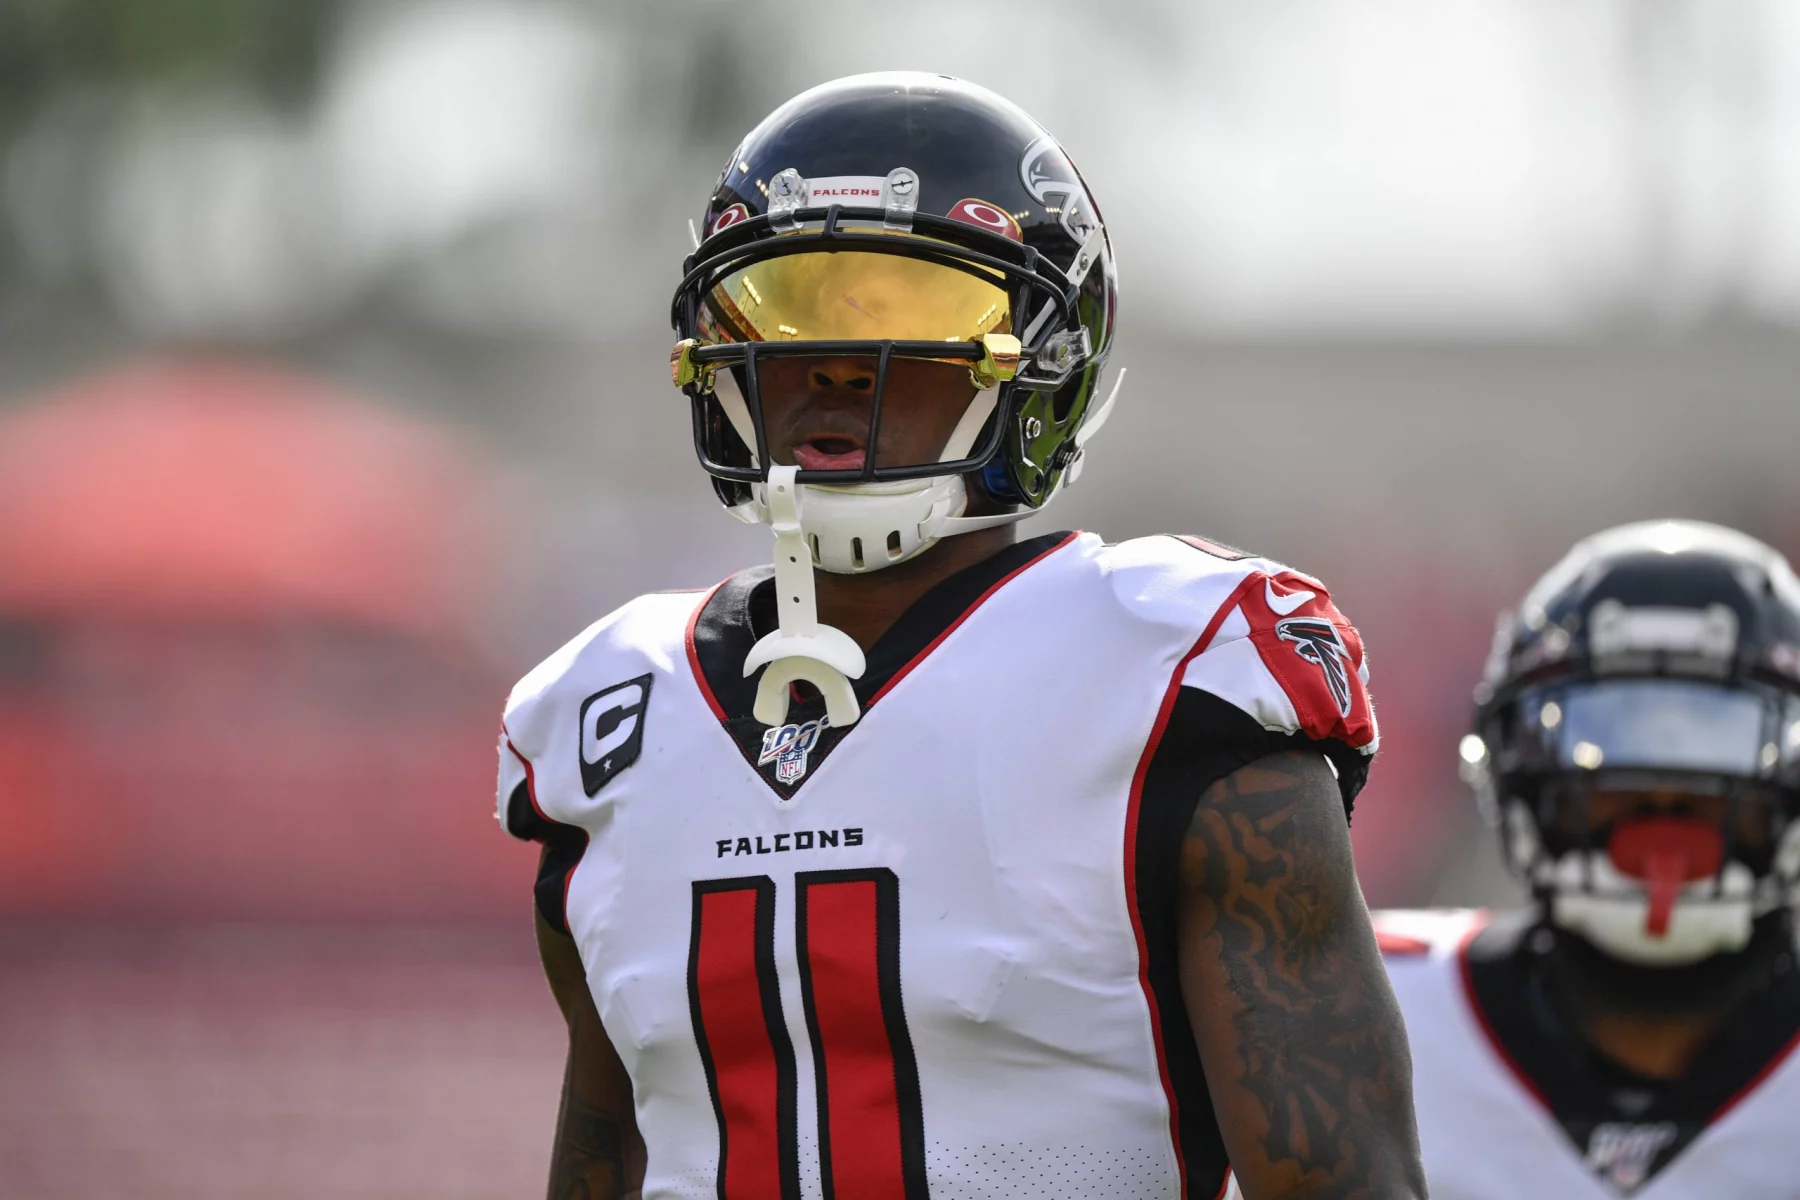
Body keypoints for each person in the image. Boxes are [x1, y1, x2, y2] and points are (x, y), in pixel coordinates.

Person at [498, 72, 1423, 1200]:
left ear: (1042, 356)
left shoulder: (1170, 676)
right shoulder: (606, 711)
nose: (838, 364)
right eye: (789, 307)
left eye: (911, 311)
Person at [1380, 520, 1800, 1197]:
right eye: (1607, 734)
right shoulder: (1370, 1008)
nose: (1665, 793)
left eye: (1719, 736)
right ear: (1518, 773)